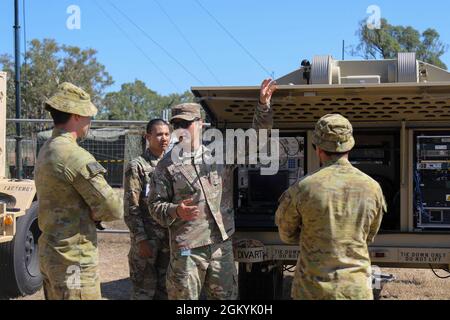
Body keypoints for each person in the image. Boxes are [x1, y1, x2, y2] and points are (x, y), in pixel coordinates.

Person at [148, 79, 276, 300]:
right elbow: (154, 206)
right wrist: (175, 210)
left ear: (200, 124)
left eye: (186, 124)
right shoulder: (166, 165)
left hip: (220, 247)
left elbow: (257, 140)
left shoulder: (221, 153)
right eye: (176, 125)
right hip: (187, 250)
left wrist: (263, 106)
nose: (181, 130)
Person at [275, 114, 386, 300]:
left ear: (318, 149)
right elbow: (369, 235)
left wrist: (312, 237)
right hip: (356, 290)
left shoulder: (303, 188)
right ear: (349, 146)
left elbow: (286, 234)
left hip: (312, 291)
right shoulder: (373, 187)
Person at [35, 82, 123, 300]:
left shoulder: (47, 148)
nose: (90, 121)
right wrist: (95, 212)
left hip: (51, 252)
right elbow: (113, 208)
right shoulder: (74, 155)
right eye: (88, 116)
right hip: (73, 258)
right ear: (75, 116)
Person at [123, 119, 171, 300]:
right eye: (159, 134)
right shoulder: (137, 166)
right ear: (148, 137)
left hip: (168, 240)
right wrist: (141, 239)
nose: (164, 138)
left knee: (165, 290)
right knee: (144, 291)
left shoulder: (173, 164)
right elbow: (131, 207)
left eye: (167, 134)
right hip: (147, 240)